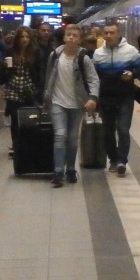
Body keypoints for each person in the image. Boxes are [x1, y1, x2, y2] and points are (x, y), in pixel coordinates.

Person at [42, 25, 99, 187]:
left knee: (73, 139)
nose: (72, 37)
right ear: (64, 38)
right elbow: (48, 78)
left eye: (75, 35)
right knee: (60, 134)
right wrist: (46, 99)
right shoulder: (55, 56)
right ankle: (58, 171)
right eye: (69, 35)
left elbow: (93, 79)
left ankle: (71, 169)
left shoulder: (84, 58)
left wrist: (92, 98)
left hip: (77, 104)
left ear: (79, 39)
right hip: (57, 102)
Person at [92, 21, 140, 177]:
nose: (109, 35)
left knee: (123, 129)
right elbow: (93, 76)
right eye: (106, 33)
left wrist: (132, 75)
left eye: (112, 32)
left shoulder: (131, 51)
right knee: (107, 131)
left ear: (118, 33)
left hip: (125, 97)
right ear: (103, 34)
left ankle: (122, 160)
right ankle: (113, 159)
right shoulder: (98, 54)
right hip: (105, 97)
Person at [0, 27, 46, 160]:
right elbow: (3, 71)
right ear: (17, 39)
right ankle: (17, 146)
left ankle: (28, 145)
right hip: (12, 89)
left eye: (27, 37)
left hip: (29, 90)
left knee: (29, 119)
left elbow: (39, 74)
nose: (24, 40)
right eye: (22, 37)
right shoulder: (10, 52)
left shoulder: (36, 53)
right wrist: (6, 70)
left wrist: (39, 94)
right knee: (15, 120)